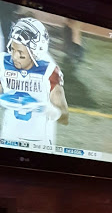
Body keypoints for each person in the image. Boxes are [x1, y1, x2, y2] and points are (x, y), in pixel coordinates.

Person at [0, 17, 69, 146]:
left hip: (39, 142)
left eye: (20, 52)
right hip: (8, 139)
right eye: (13, 49)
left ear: (35, 51)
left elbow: (64, 117)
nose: (14, 56)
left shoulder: (49, 71)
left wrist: (47, 109)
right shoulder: (4, 63)